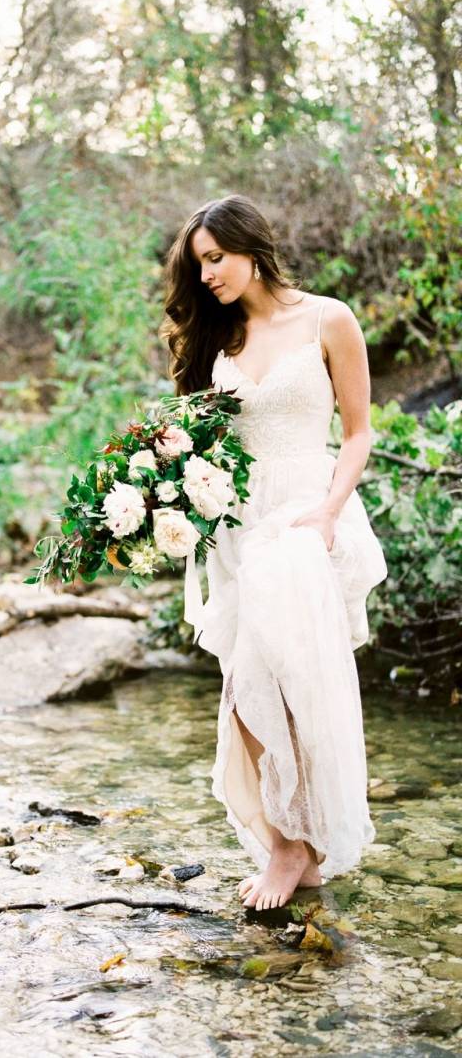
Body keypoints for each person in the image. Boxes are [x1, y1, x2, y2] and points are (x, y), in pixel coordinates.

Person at [159, 193, 388, 911]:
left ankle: (295, 848)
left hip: (303, 520)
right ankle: (294, 843)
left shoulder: (328, 319)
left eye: (215, 259)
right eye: (198, 265)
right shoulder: (219, 343)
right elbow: (211, 438)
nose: (206, 278)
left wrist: (327, 511)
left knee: (298, 682)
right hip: (238, 524)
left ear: (250, 248)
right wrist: (173, 455)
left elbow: (358, 433)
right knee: (249, 682)